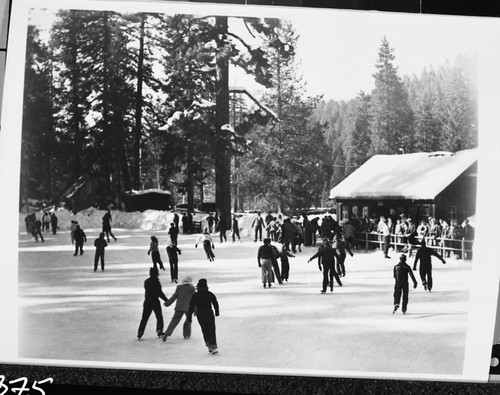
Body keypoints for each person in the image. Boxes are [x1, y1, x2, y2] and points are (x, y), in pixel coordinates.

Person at [187, 278, 220, 354]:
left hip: (200, 314)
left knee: (204, 329)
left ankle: (209, 345)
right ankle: (213, 347)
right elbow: (215, 302)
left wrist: (189, 316)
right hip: (209, 313)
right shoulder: (210, 294)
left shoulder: (195, 295)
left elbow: (191, 306)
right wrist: (217, 311)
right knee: (211, 330)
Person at [137, 267, 168, 340]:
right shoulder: (156, 282)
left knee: (144, 317)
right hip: (155, 301)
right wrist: (166, 300)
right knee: (159, 316)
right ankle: (159, 330)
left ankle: (140, 332)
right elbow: (159, 293)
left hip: (147, 301)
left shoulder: (146, 281)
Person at [162, 276, 196, 342]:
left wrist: (168, 303)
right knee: (188, 321)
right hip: (188, 308)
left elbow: (174, 296)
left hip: (179, 307)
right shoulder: (192, 288)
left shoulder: (179, 287)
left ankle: (167, 333)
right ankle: (186, 334)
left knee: (174, 320)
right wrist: (195, 309)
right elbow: (194, 299)